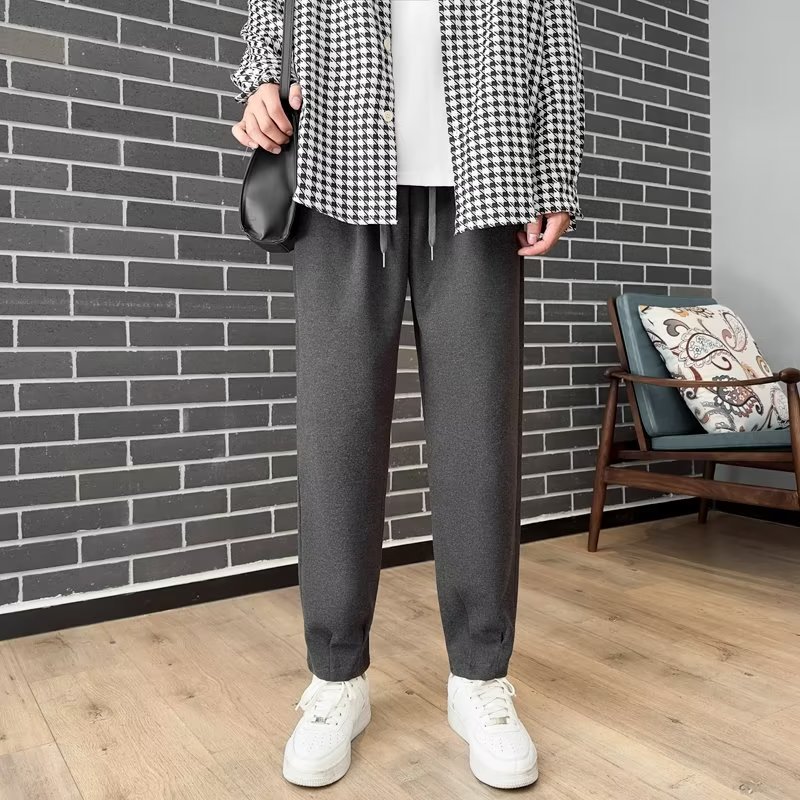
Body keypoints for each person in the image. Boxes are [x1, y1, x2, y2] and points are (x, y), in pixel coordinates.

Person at [230, 0, 584, 789]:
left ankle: (480, 678)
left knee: (480, 441)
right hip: (338, 168)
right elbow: (266, 15)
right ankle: (335, 679)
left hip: (486, 176)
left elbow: (555, 39)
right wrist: (258, 82)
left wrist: (556, 169)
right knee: (336, 438)